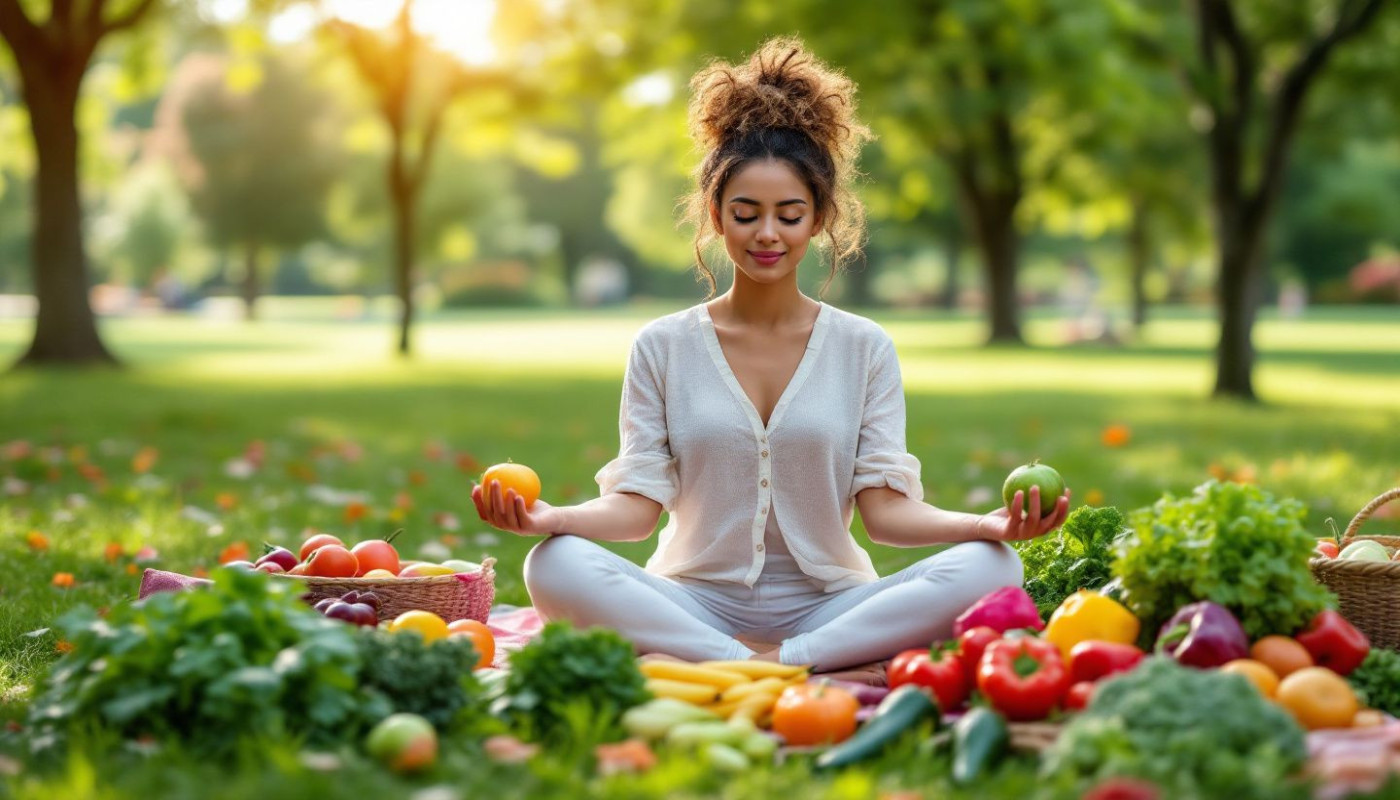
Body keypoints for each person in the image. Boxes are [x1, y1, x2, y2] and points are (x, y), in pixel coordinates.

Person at [472, 37, 1070, 674]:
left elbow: (886, 515)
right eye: (746, 213)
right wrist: (550, 518)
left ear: (818, 219)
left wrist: (987, 526)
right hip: (690, 601)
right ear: (716, 215)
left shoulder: (863, 347)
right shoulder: (662, 346)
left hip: (831, 604)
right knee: (555, 562)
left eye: (789, 215)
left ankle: (781, 660)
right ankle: (747, 661)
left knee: (993, 566)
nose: (767, 234)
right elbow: (637, 510)